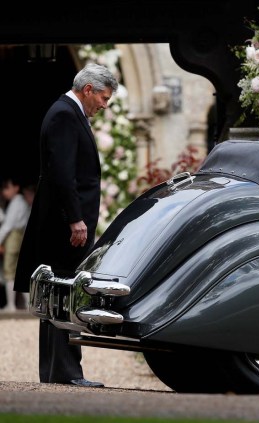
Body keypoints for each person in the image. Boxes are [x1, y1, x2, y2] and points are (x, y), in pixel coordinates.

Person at [14, 63, 118, 388]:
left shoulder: (68, 113)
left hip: (63, 222)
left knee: (58, 295)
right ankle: (66, 372)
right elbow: (62, 172)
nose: (104, 104)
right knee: (65, 294)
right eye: (103, 97)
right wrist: (76, 218)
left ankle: (57, 371)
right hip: (64, 225)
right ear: (88, 90)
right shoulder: (64, 114)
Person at [0, 178, 29, 312]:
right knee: (18, 271)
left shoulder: (16, 202)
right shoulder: (21, 202)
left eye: (7, 188)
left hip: (13, 237)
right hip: (19, 237)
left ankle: (11, 305)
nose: (4, 192)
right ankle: (27, 304)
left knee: (9, 271)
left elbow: (8, 225)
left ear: (16, 187)